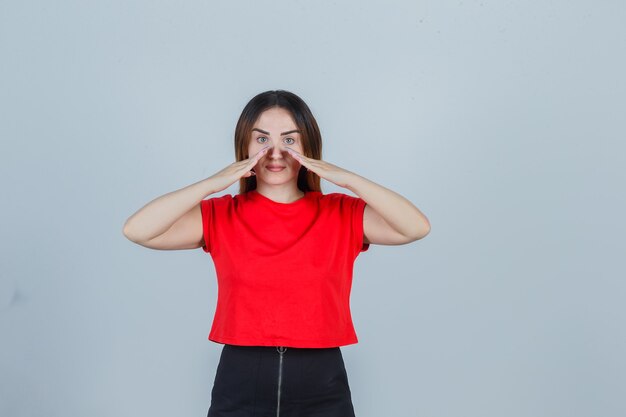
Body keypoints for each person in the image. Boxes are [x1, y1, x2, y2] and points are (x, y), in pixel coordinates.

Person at [122, 90, 430, 417]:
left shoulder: (341, 213)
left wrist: (346, 178)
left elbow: (416, 227)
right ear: (244, 144)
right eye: (262, 139)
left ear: (309, 147)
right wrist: (212, 183)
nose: (275, 152)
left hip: (321, 381)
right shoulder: (221, 214)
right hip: (240, 378)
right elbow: (137, 230)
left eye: (290, 140)